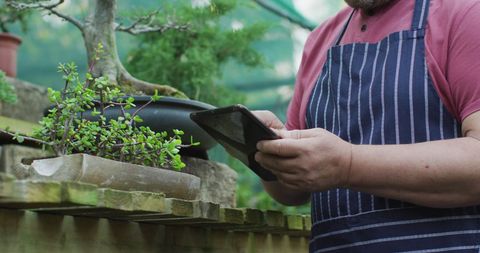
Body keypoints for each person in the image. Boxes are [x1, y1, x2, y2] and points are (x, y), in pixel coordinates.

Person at [253, 0, 480, 252]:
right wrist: (266, 149)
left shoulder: (464, 13)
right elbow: (290, 193)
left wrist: (347, 165)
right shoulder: (321, 40)